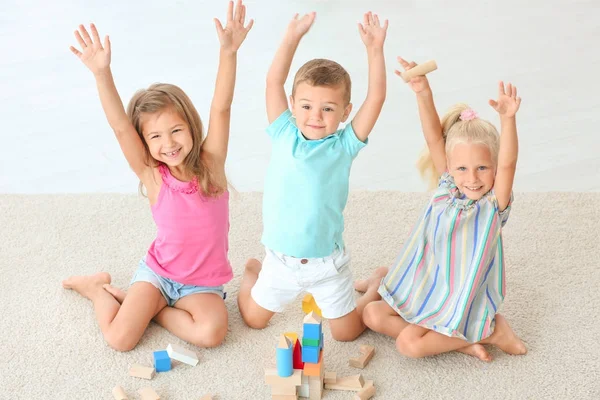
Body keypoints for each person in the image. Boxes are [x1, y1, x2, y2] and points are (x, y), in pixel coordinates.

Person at [62, 0, 253, 351]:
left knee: (212, 334)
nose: (168, 144)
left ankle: (153, 311)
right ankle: (96, 289)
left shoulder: (211, 166)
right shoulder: (153, 176)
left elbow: (221, 107)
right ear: (146, 142)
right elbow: (121, 127)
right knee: (120, 340)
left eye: (176, 130)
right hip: (159, 274)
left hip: (201, 285)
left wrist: (229, 52)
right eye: (155, 136)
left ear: (192, 127)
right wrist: (102, 73)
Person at [360, 57, 528, 361]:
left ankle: (493, 331)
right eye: (462, 168)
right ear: (450, 167)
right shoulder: (447, 186)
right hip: (427, 283)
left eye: (482, 168)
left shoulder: (492, 206)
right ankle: (465, 343)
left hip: (460, 296)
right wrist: (422, 92)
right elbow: (433, 137)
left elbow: (508, 163)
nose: (472, 178)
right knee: (371, 314)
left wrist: (508, 120)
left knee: (408, 345)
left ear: (493, 169)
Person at [238, 11, 388, 341]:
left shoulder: (345, 144)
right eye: (306, 106)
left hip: (327, 266)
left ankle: (375, 285)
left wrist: (375, 49)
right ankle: (253, 271)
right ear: (292, 104)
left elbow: (376, 97)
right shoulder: (283, 133)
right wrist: (291, 37)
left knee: (348, 334)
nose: (315, 116)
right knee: (252, 319)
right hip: (280, 261)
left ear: (345, 112)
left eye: (328, 109)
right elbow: (272, 82)